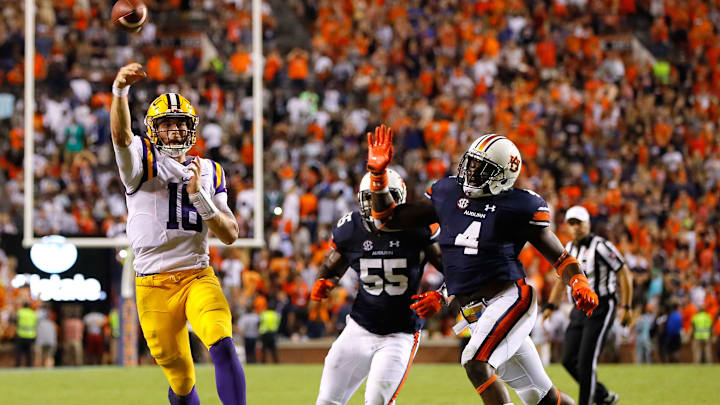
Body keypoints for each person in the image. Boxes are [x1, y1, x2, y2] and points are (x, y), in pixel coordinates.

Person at [366, 127, 591, 405]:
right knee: (540, 396)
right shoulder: (449, 193)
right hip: (475, 313)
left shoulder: (519, 206)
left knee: (475, 361)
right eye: (470, 163)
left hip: (510, 300)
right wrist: (378, 177)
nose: (471, 171)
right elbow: (388, 218)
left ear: (502, 175)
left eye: (481, 167)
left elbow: (560, 257)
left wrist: (578, 280)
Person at [111, 63, 245, 405]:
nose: (173, 131)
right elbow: (121, 136)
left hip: (197, 274)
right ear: (154, 130)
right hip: (152, 285)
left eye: (180, 124)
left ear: (192, 130)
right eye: (166, 125)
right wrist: (120, 92)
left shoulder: (210, 170)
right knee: (182, 379)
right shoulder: (141, 161)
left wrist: (200, 197)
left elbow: (230, 234)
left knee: (221, 339)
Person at [312, 169, 443, 405]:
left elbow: (455, 271)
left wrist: (442, 297)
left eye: (383, 197)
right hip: (359, 328)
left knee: (376, 401)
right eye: (369, 197)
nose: (376, 204)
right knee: (327, 400)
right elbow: (335, 261)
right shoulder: (351, 228)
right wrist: (325, 280)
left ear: (399, 200)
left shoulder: (419, 229)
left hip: (400, 333)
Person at [543, 205, 633, 405]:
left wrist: (626, 306)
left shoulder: (601, 246)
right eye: (572, 223)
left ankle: (587, 401)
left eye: (579, 223)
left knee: (586, 361)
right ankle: (602, 395)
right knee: (568, 360)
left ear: (588, 224)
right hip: (579, 308)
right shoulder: (569, 248)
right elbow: (561, 279)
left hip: (601, 305)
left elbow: (623, 272)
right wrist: (551, 305)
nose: (576, 228)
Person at [14, 302, 37, 367]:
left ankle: (17, 365)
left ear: (23, 306)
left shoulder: (20, 312)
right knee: (29, 352)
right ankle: (29, 366)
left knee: (18, 352)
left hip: (21, 335)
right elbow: (35, 324)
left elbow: (15, 321)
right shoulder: (33, 313)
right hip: (31, 335)